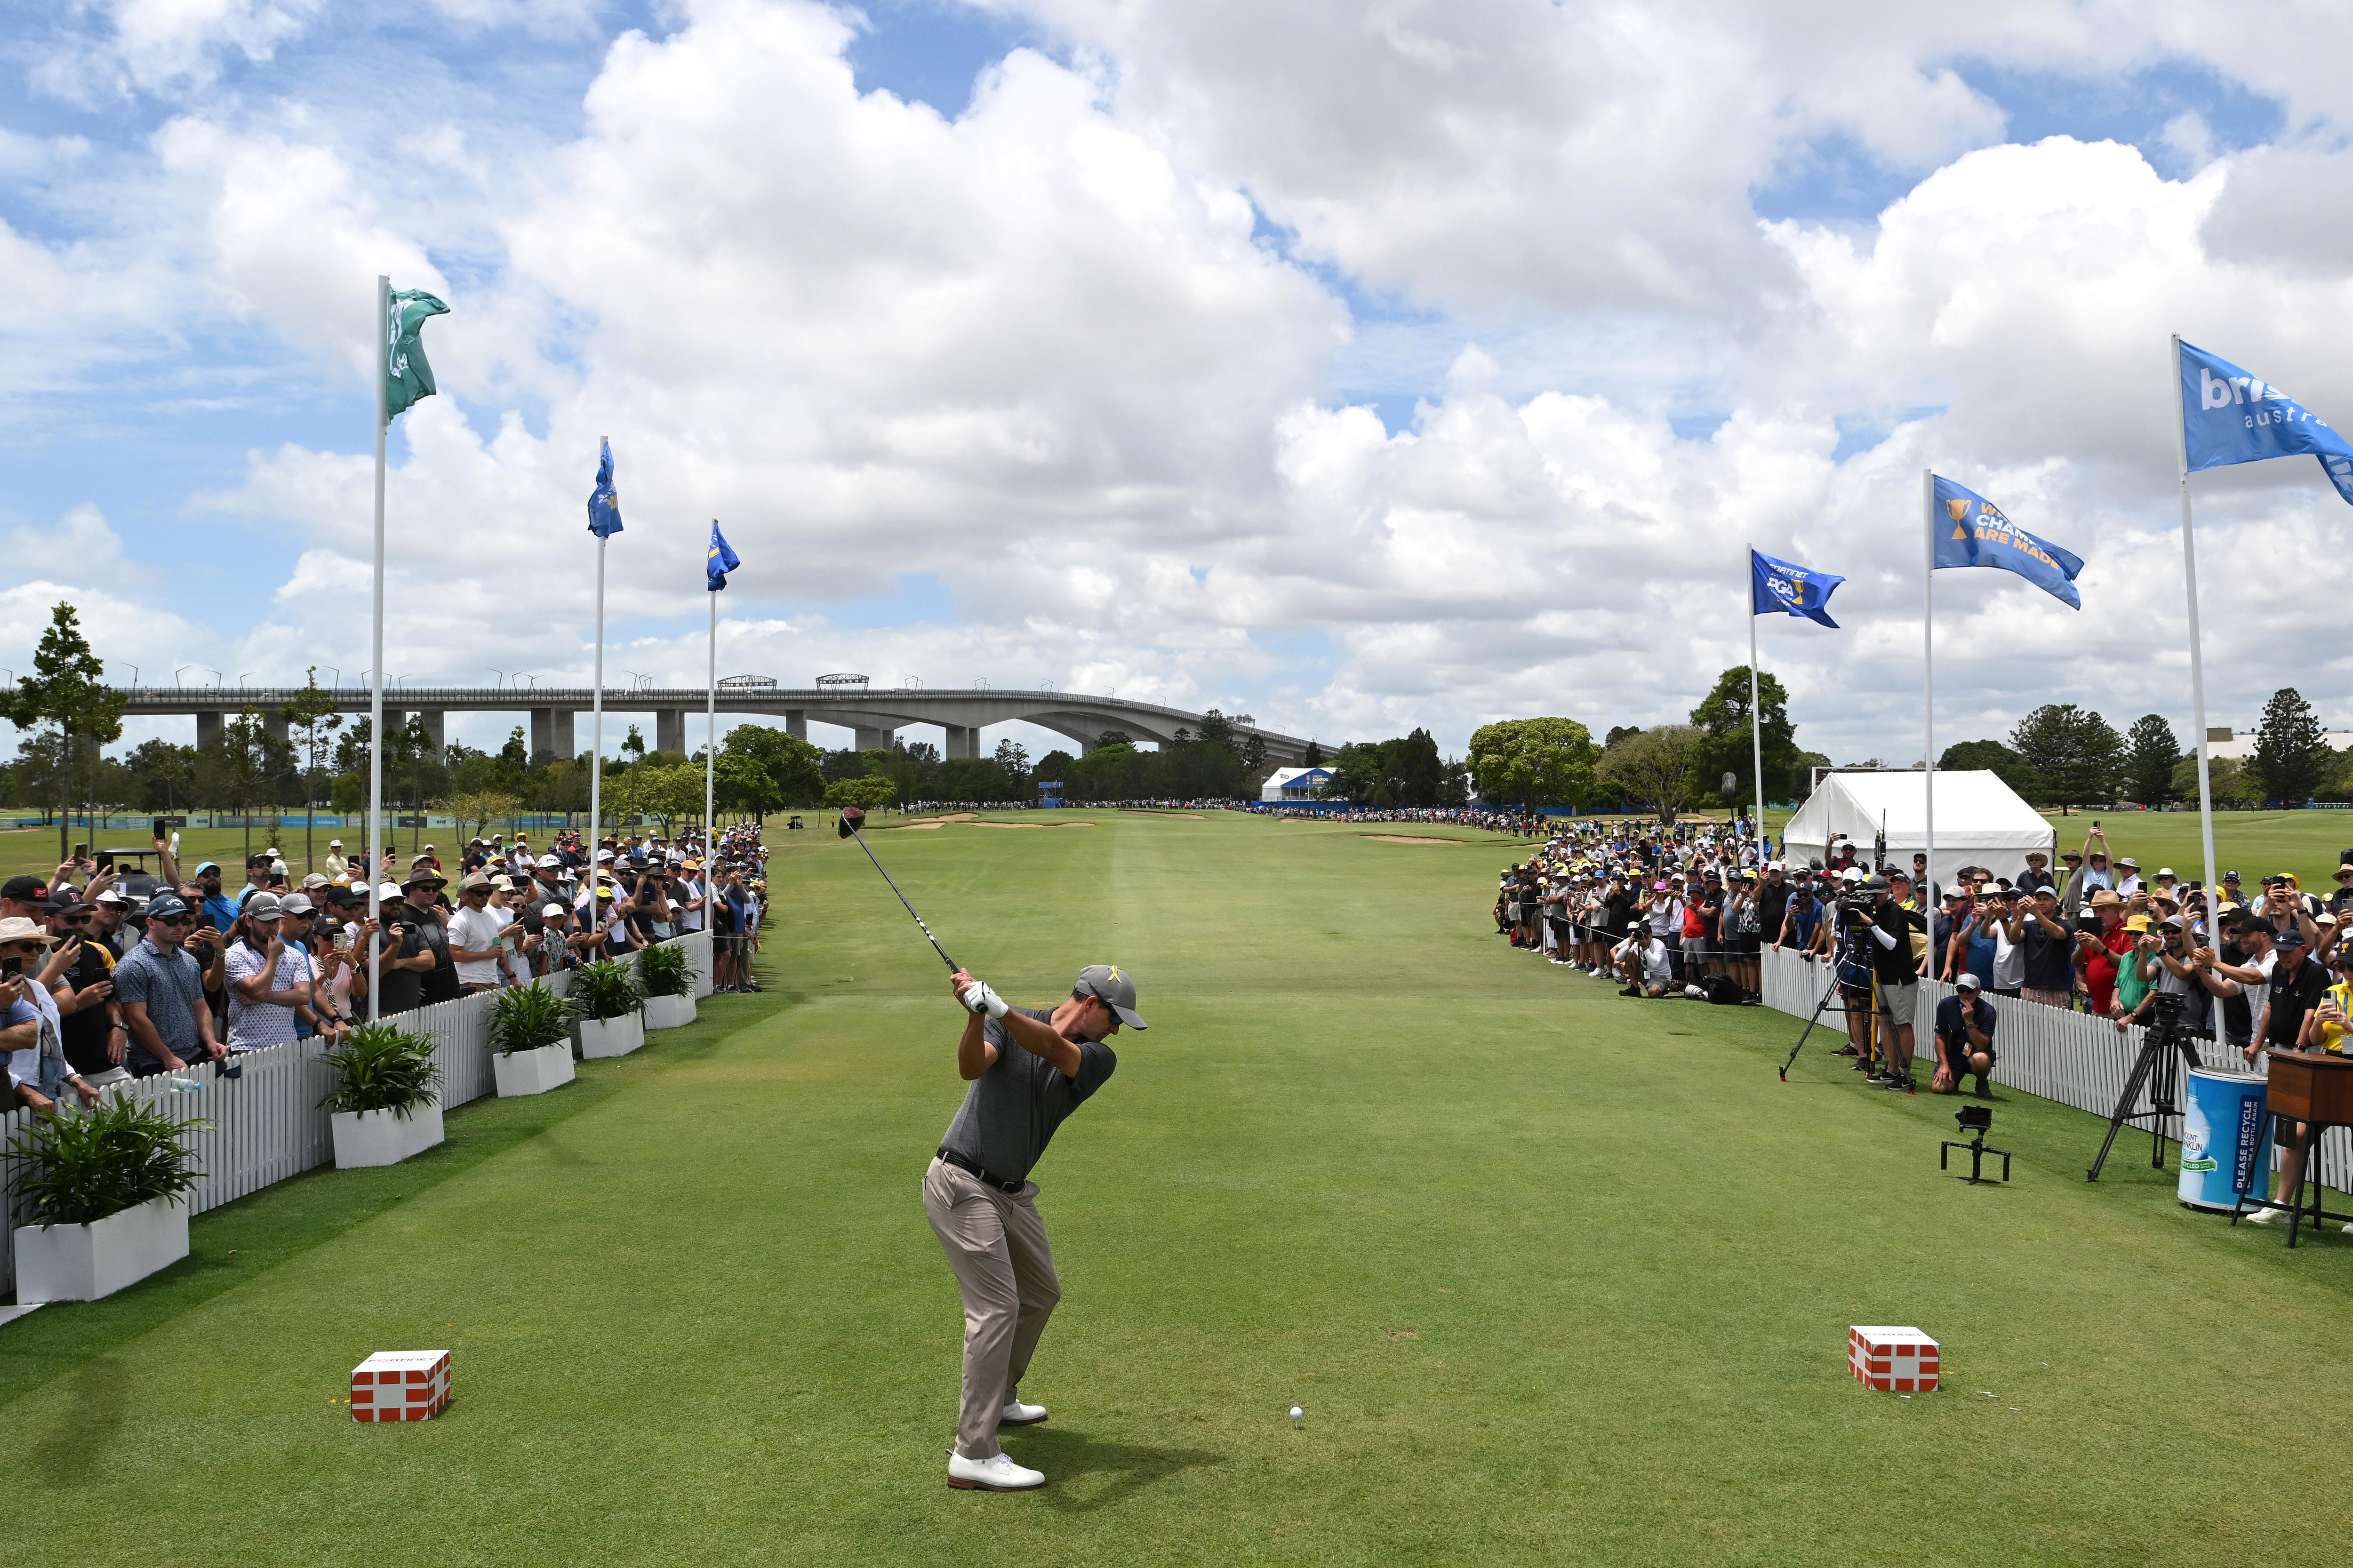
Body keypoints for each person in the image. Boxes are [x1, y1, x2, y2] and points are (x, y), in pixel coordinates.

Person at [925, 963, 1140, 1492]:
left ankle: (997, 1397)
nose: (1117, 1030)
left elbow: (1051, 1047)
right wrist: (977, 1016)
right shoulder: (1007, 1023)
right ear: (1090, 1003)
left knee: (1041, 1292)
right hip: (961, 1182)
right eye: (1114, 1017)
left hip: (1011, 1192)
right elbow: (971, 1067)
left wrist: (997, 1006)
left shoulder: (1097, 1057)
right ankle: (972, 1452)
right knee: (995, 1307)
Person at [2246, 926, 2335, 1225]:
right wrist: (2259, 1042)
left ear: (2304, 950)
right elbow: (2271, 1006)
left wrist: (2299, 1047)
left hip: (2311, 1059)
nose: (2283, 957)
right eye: (2280, 952)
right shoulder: (2280, 971)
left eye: (2288, 952)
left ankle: (2282, 1205)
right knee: (2291, 1134)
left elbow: (2312, 1015)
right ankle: (2281, 1205)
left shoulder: (2317, 975)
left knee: (2296, 1133)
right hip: (2287, 1053)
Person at [112, 893, 226, 1075]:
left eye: (184, 920)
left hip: (193, 1055)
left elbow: (200, 1005)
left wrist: (211, 1041)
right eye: (172, 921)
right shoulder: (133, 965)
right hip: (153, 1063)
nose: (180, 926)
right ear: (151, 923)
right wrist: (168, 1058)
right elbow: (136, 1019)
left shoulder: (189, 961)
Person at [1931, 972, 1996, 1098]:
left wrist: (1969, 1021)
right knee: (1939, 1089)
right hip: (1953, 1056)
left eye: (1970, 990)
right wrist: (1944, 1065)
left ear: (1978, 992)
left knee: (1981, 1059)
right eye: (1961, 990)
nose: (1965, 994)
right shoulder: (1946, 1005)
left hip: (1975, 1053)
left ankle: (1982, 1081)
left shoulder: (1988, 1012)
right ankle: (1953, 1080)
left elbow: (1982, 1045)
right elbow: (1940, 1036)